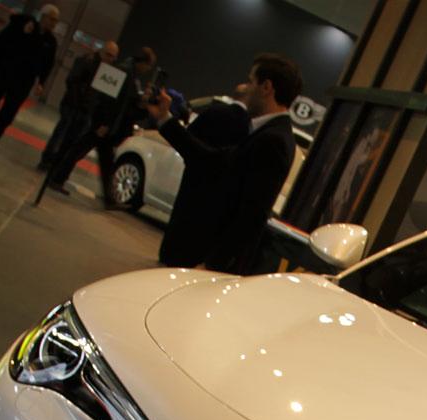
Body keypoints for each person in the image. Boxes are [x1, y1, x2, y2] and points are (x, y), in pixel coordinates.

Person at [142, 53, 302, 273]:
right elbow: (211, 160)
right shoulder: (265, 133)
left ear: (266, 87)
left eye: (251, 81)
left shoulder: (272, 140)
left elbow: (252, 214)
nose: (246, 88)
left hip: (211, 263)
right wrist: (164, 118)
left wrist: (213, 264)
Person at [47, 46, 155, 201]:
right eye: (148, 66)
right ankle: (58, 178)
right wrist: (103, 123)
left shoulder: (129, 74)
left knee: (97, 157)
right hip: (103, 123)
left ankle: (107, 197)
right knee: (81, 150)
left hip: (106, 124)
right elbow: (108, 100)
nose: (147, 69)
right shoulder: (124, 73)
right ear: (143, 62)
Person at [156, 99, 250, 266]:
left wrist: (165, 118)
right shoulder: (253, 130)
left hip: (191, 204)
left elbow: (193, 147)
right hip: (212, 235)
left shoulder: (217, 113)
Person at [0, 4, 60, 151]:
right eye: (52, 19)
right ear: (44, 17)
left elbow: (48, 64)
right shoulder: (23, 24)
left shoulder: (51, 42)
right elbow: (3, 40)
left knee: (10, 110)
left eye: (56, 20)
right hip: (5, 70)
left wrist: (41, 82)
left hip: (24, 80)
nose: (54, 23)